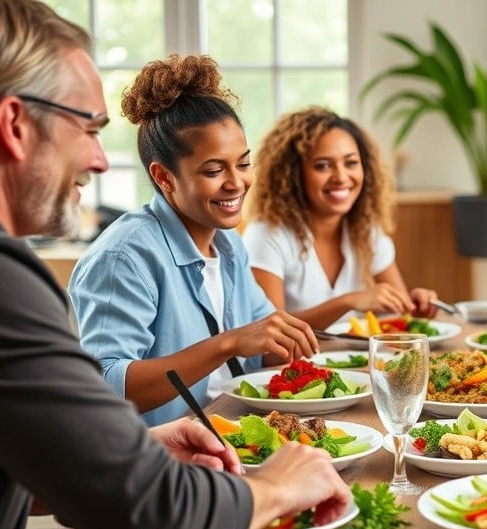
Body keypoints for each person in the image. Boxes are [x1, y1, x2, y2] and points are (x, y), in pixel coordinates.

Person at [0, 1, 349, 529]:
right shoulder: (3, 275)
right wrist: (278, 487)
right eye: (88, 129)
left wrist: (141, 455)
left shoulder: (227, 244)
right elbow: (143, 499)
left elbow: (12, 466)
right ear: (13, 124)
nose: (101, 162)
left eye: (241, 163)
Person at [69, 55, 321, 423]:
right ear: (164, 177)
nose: (237, 182)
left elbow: (266, 342)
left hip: (236, 429)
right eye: (215, 170)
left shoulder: (228, 242)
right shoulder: (125, 257)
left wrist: (290, 342)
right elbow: (106, 384)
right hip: (165, 457)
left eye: (244, 163)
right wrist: (229, 342)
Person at [245, 106, 438, 328]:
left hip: (358, 361)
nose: (341, 176)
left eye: (351, 163)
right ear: (293, 174)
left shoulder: (367, 231)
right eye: (323, 165)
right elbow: (268, 330)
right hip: (294, 363)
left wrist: (418, 308)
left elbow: (401, 317)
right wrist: (348, 302)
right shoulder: (268, 234)